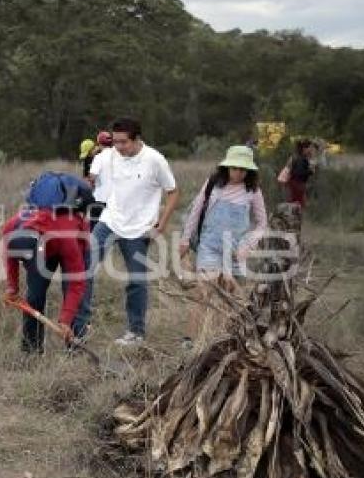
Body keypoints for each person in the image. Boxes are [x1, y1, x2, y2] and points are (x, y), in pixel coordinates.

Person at [75, 117, 180, 346]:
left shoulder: (154, 160)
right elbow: (89, 180)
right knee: (84, 268)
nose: (119, 147)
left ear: (136, 139)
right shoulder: (109, 155)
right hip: (109, 221)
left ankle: (135, 332)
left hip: (139, 228)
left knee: (136, 280)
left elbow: (173, 192)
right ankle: (80, 327)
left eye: (123, 142)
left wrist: (162, 223)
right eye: (116, 142)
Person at [179, 145, 268, 347]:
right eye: (234, 168)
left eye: (243, 169)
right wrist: (185, 239)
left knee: (233, 298)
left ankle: (224, 341)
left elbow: (262, 224)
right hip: (209, 247)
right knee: (204, 291)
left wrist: (247, 246)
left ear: (250, 171)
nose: (238, 173)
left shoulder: (253, 191)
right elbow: (195, 212)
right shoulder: (213, 185)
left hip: (236, 252)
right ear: (227, 167)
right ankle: (190, 340)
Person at [2, 174, 92, 354]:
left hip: (73, 241)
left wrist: (65, 319)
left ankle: (76, 346)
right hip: (44, 249)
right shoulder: (11, 229)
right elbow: (10, 260)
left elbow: (77, 283)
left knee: (74, 294)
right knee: (34, 296)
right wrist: (12, 288)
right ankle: (31, 351)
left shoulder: (65, 236)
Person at [86, 130, 114, 224]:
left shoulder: (99, 157)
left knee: (95, 229)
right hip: (116, 201)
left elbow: (92, 177)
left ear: (99, 143)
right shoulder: (119, 156)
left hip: (100, 198)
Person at [286, 139, 316, 207]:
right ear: (304, 148)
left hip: (296, 184)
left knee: (296, 204)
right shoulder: (301, 159)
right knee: (298, 205)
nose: (311, 150)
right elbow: (299, 172)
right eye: (310, 148)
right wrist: (310, 171)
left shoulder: (300, 157)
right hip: (298, 184)